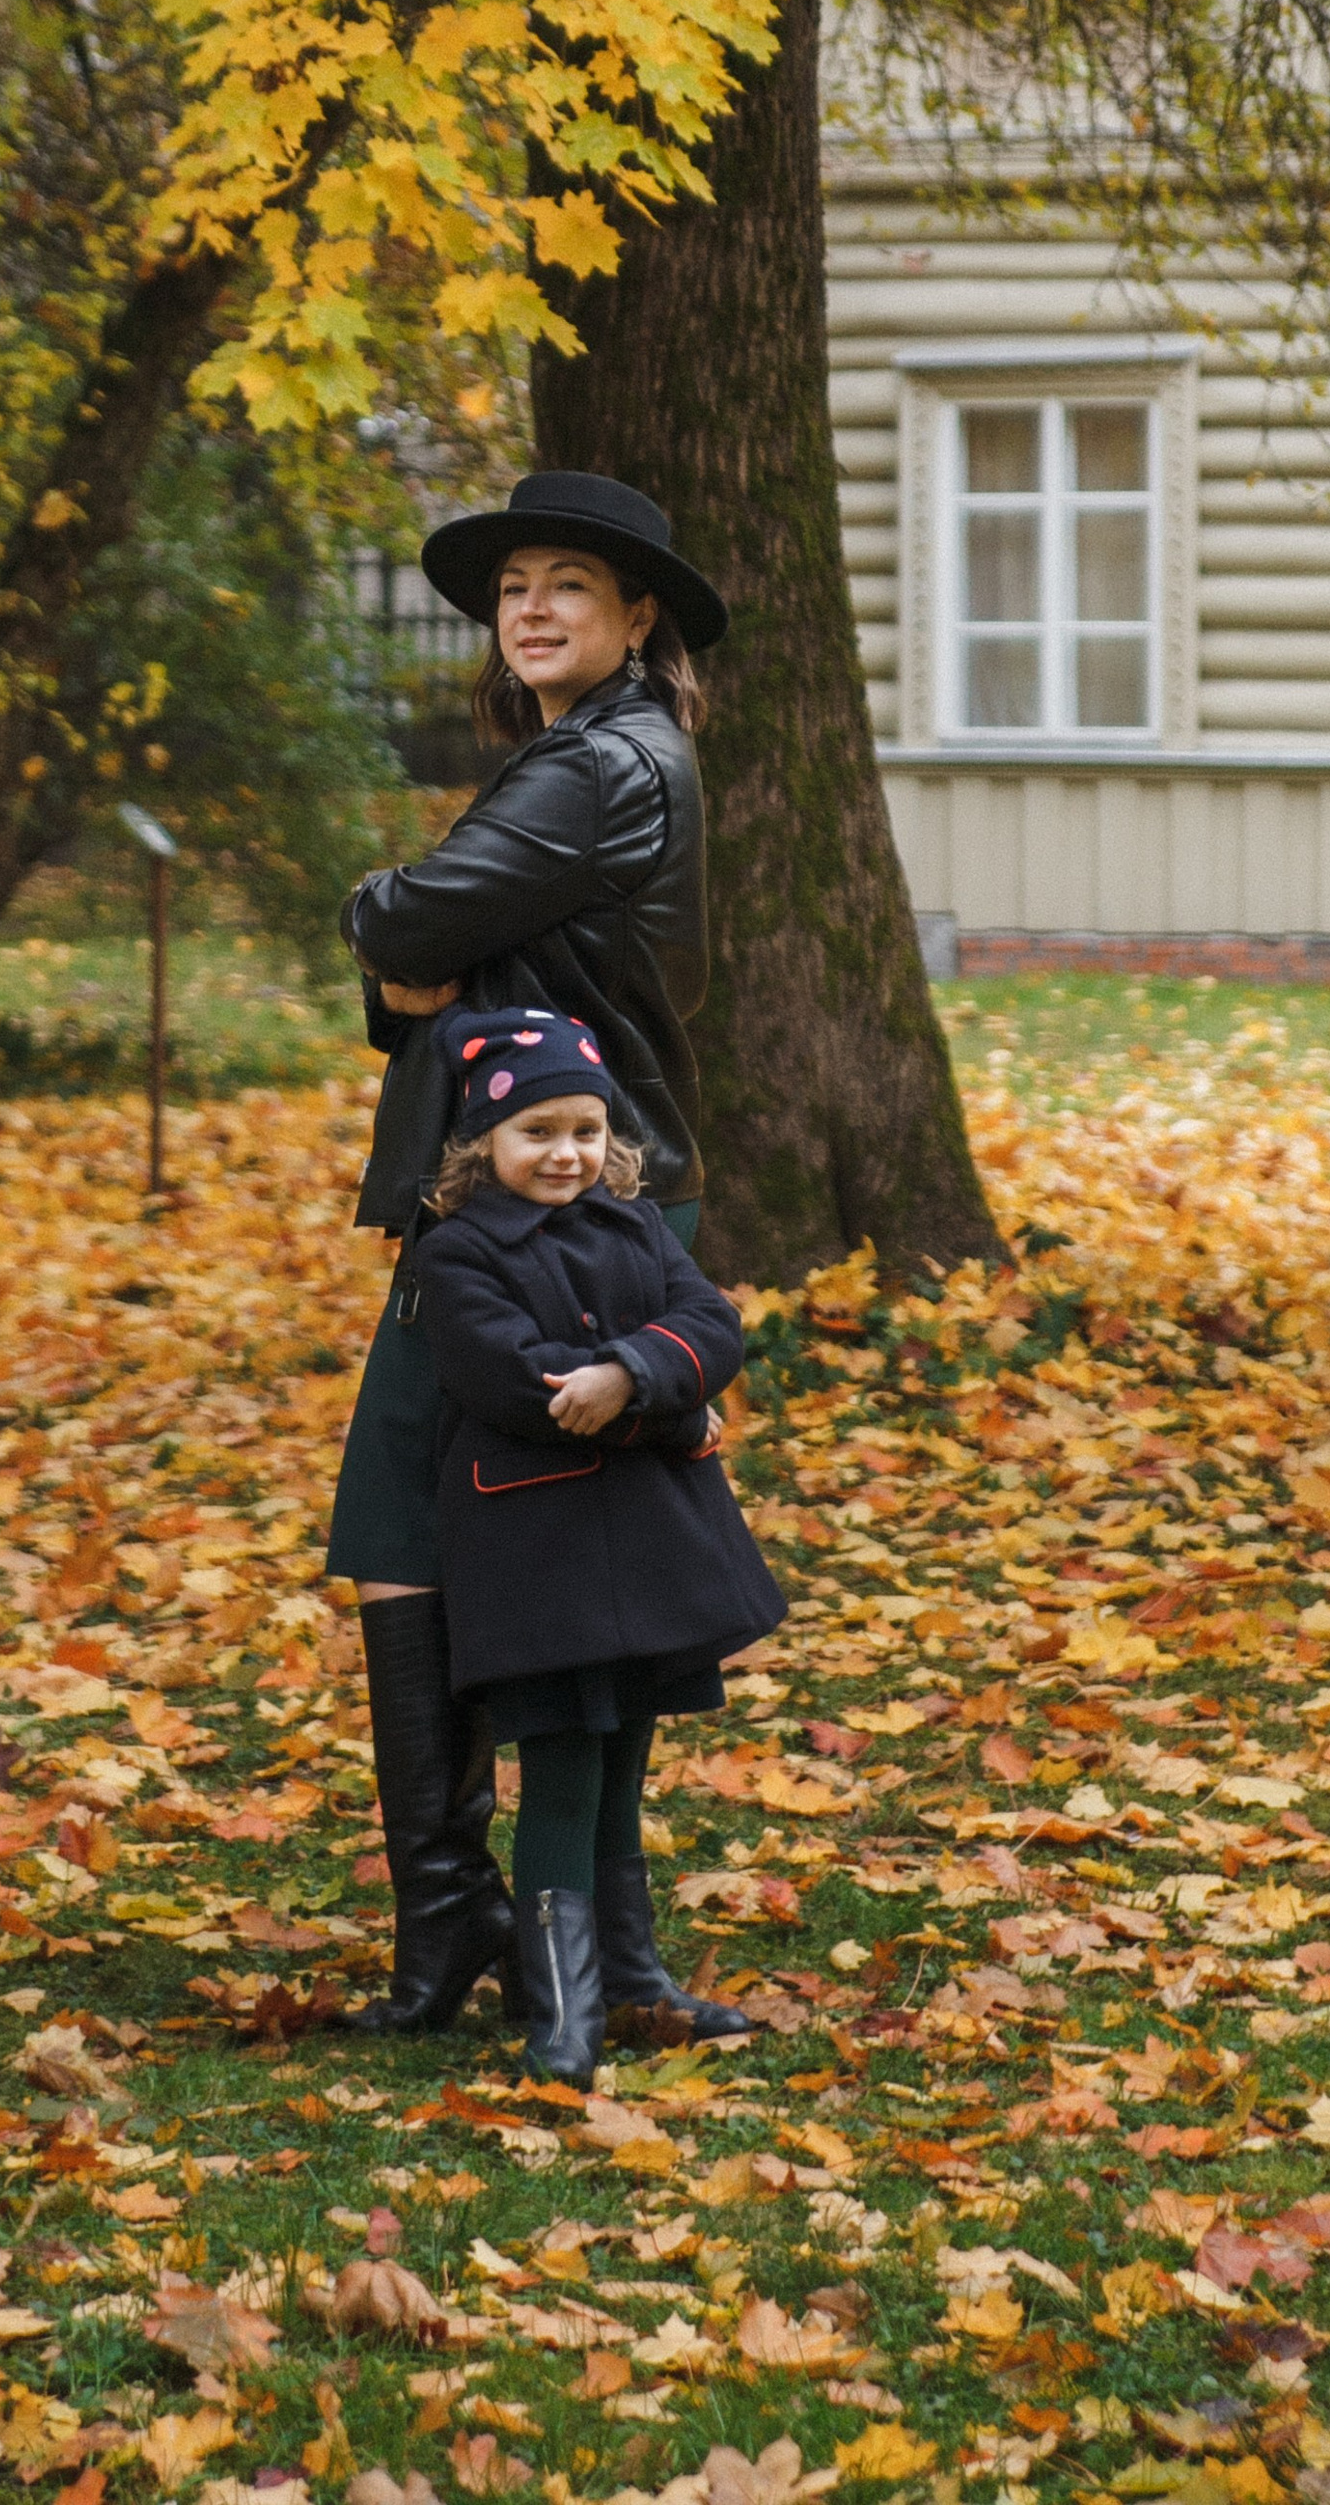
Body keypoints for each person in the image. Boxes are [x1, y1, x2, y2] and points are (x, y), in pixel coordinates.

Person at [326, 470, 726, 2036]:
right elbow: (444, 958)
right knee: (423, 1540)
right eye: (514, 589)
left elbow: (415, 926)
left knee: (534, 1562)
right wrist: (415, 954)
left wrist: (377, 913)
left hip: (570, 1214)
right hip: (522, 1200)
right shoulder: (574, 758)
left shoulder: (603, 763)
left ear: (639, 621)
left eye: (573, 581)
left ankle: (521, 1937)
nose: (535, 606)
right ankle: (478, 1927)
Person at [411, 1001, 784, 2081]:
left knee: (623, 1763)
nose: (563, 1153)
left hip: (649, 1550)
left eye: (582, 1130)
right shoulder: (459, 1253)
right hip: (542, 1564)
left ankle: (632, 1981)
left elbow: (711, 1326)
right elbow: (518, 1383)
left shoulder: (636, 1224)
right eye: (536, 1133)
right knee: (565, 1771)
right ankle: (558, 2010)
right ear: (484, 1143)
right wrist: (663, 1402)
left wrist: (637, 1370)